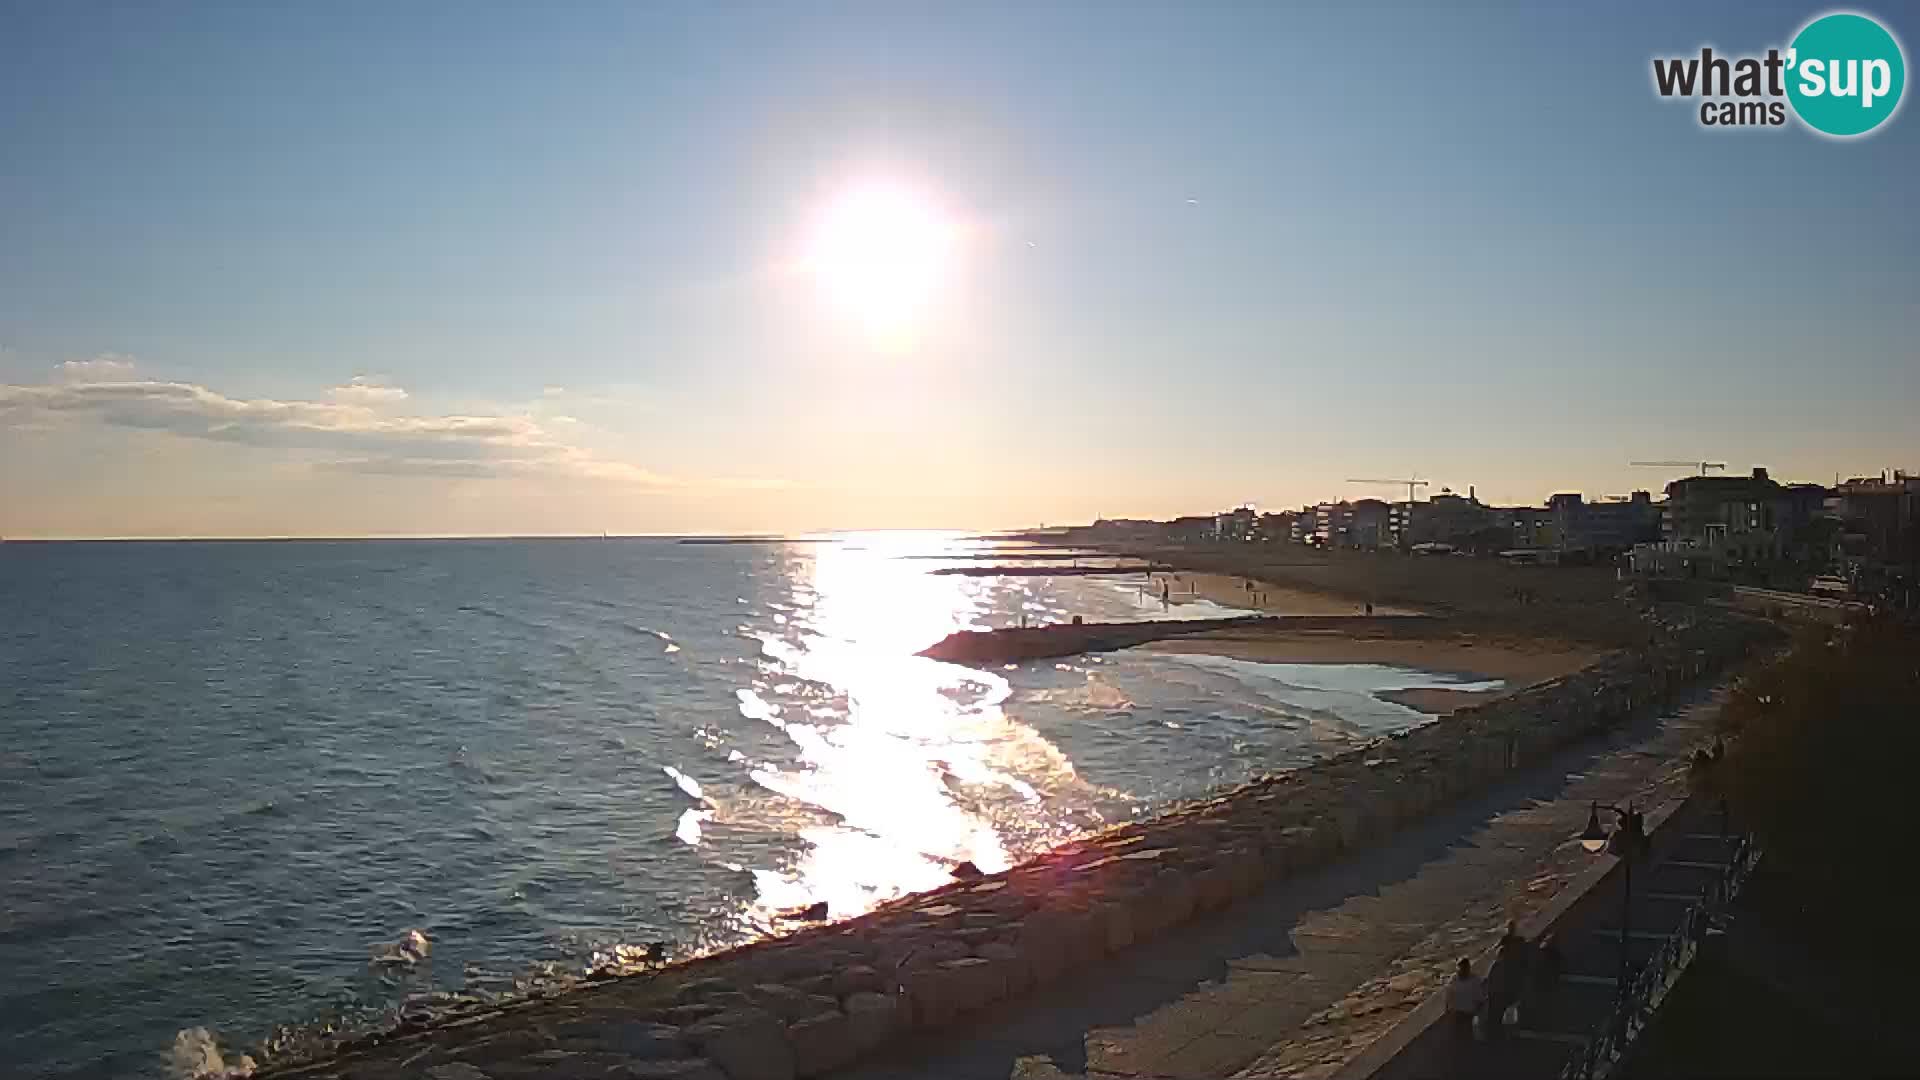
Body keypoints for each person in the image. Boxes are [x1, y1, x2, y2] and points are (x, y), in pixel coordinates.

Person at [1445, 957, 1486, 1045]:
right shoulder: (1454, 979)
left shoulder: (1475, 980)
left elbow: (1480, 998)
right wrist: (1448, 1009)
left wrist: (1479, 1013)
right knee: (1457, 1037)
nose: (1462, 970)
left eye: (1464, 968)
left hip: (1469, 1013)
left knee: (1468, 1036)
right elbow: (1448, 994)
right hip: (1456, 1013)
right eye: (1460, 968)